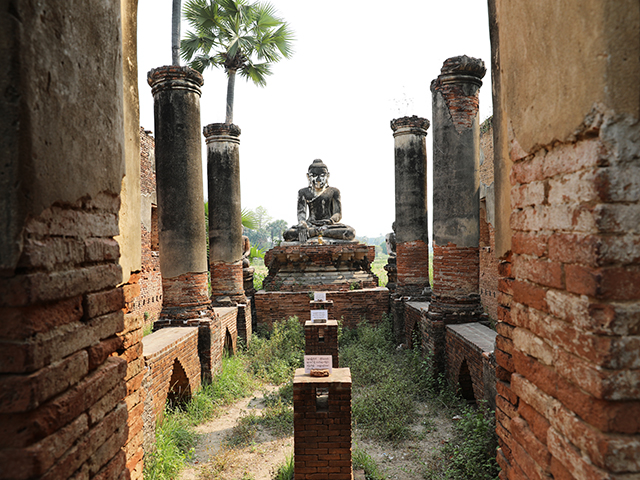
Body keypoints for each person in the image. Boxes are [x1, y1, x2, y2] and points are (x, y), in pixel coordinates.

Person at [282, 159, 356, 243]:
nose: (318, 179)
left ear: (327, 176)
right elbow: (301, 213)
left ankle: (316, 232)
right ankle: (319, 232)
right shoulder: (303, 192)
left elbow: (338, 213)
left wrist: (330, 220)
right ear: (308, 176)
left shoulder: (333, 191)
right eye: (314, 175)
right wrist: (302, 224)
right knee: (288, 234)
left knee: (350, 232)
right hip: (310, 225)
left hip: (328, 225)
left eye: (322, 176)